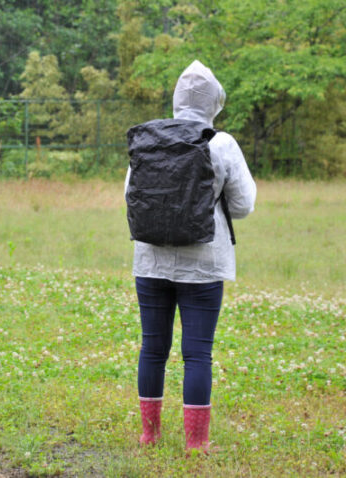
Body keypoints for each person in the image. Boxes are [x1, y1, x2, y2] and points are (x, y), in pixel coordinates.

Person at [125, 60, 257, 452]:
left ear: (176, 98)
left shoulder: (146, 138)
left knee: (153, 347)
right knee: (197, 352)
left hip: (150, 260)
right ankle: (196, 444)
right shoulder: (221, 143)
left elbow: (129, 198)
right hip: (204, 263)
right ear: (215, 101)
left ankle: (150, 435)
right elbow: (244, 205)